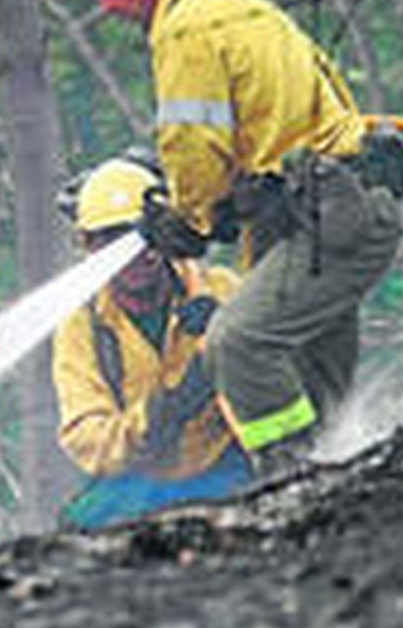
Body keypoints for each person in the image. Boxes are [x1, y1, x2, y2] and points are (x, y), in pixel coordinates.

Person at [63, 0, 403, 473]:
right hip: (332, 212)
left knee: (238, 343)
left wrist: (188, 218)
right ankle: (338, 476)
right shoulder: (239, 7)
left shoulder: (184, 28)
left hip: (327, 217)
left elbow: (192, 143)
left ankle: (291, 474)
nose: (107, 5)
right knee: (310, 374)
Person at [53, 155, 253, 530]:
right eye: (114, 239)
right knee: (76, 529)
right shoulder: (83, 328)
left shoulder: (218, 289)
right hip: (140, 482)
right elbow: (87, 439)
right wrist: (163, 412)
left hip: (222, 466)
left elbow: (283, 375)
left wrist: (227, 335)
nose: (138, 252)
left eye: (145, 234)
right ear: (90, 246)